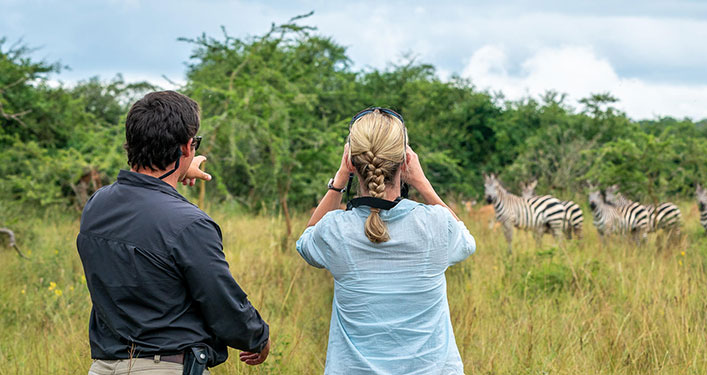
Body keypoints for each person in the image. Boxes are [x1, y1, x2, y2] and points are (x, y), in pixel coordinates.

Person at [77, 91, 270, 375]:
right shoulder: (189, 223)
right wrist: (257, 336)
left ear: (131, 143)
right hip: (164, 366)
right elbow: (221, 301)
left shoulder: (97, 205)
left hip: (103, 367)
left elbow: (145, 197)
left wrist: (177, 170)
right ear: (187, 147)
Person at [296, 107, 476, 374]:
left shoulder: (335, 230)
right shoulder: (436, 223)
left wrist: (338, 182)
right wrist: (422, 183)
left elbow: (306, 240)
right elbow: (465, 239)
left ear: (351, 162)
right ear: (405, 161)